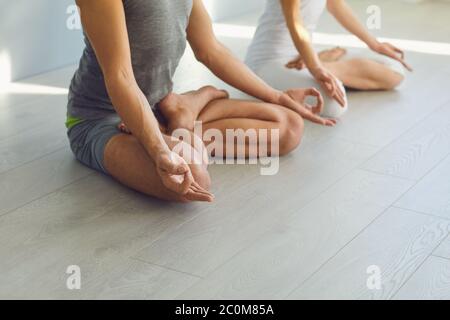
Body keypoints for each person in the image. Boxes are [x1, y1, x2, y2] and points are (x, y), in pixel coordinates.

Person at [67, 0, 332, 203]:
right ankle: (182, 118)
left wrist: (278, 96)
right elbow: (120, 76)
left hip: (158, 106)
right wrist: (158, 149)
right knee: (193, 176)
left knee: (288, 127)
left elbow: (211, 50)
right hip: (103, 120)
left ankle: (179, 121)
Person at [245, 0, 412, 118]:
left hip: (305, 53)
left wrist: (375, 45)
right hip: (269, 62)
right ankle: (317, 64)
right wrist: (315, 67)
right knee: (334, 105)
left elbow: (336, 5)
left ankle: (322, 63)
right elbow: (296, 24)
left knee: (395, 70)